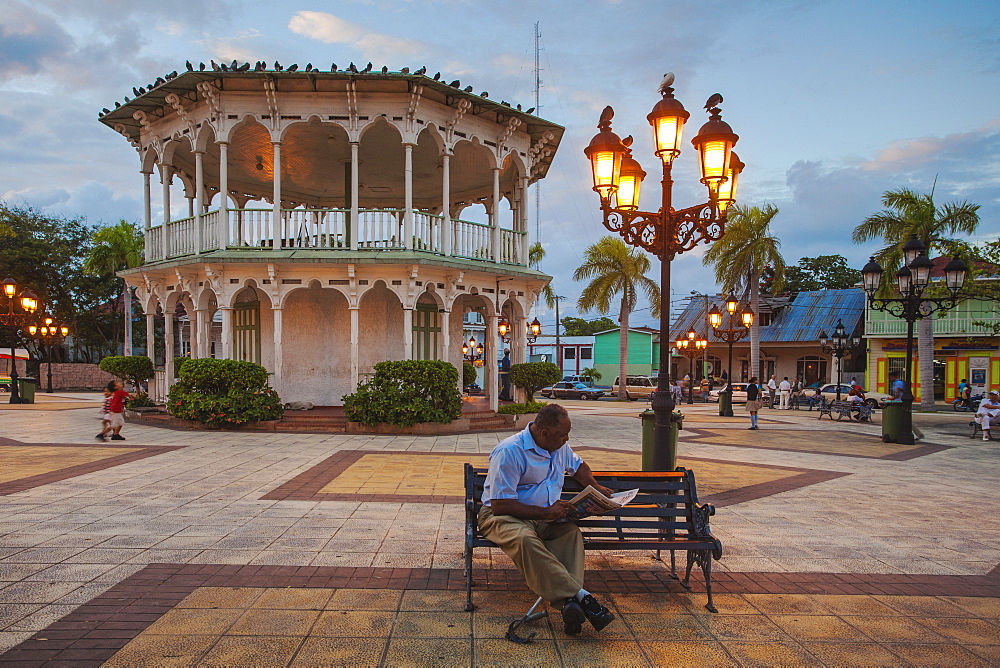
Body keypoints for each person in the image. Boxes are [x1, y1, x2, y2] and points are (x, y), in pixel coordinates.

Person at [479, 404, 616, 634]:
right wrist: (545, 512)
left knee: (571, 534)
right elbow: (500, 504)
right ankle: (583, 597)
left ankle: (571, 605)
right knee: (524, 539)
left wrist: (594, 486)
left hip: (545, 517)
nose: (567, 439)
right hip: (503, 516)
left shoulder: (559, 446)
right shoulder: (510, 451)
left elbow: (578, 465)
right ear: (545, 433)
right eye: (563, 434)